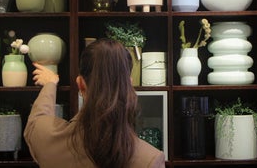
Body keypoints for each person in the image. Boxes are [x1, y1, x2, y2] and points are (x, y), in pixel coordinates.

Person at [24, 38, 165, 168]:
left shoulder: (47, 140)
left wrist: (50, 84)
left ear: (81, 85)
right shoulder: (150, 160)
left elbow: (37, 118)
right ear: (129, 85)